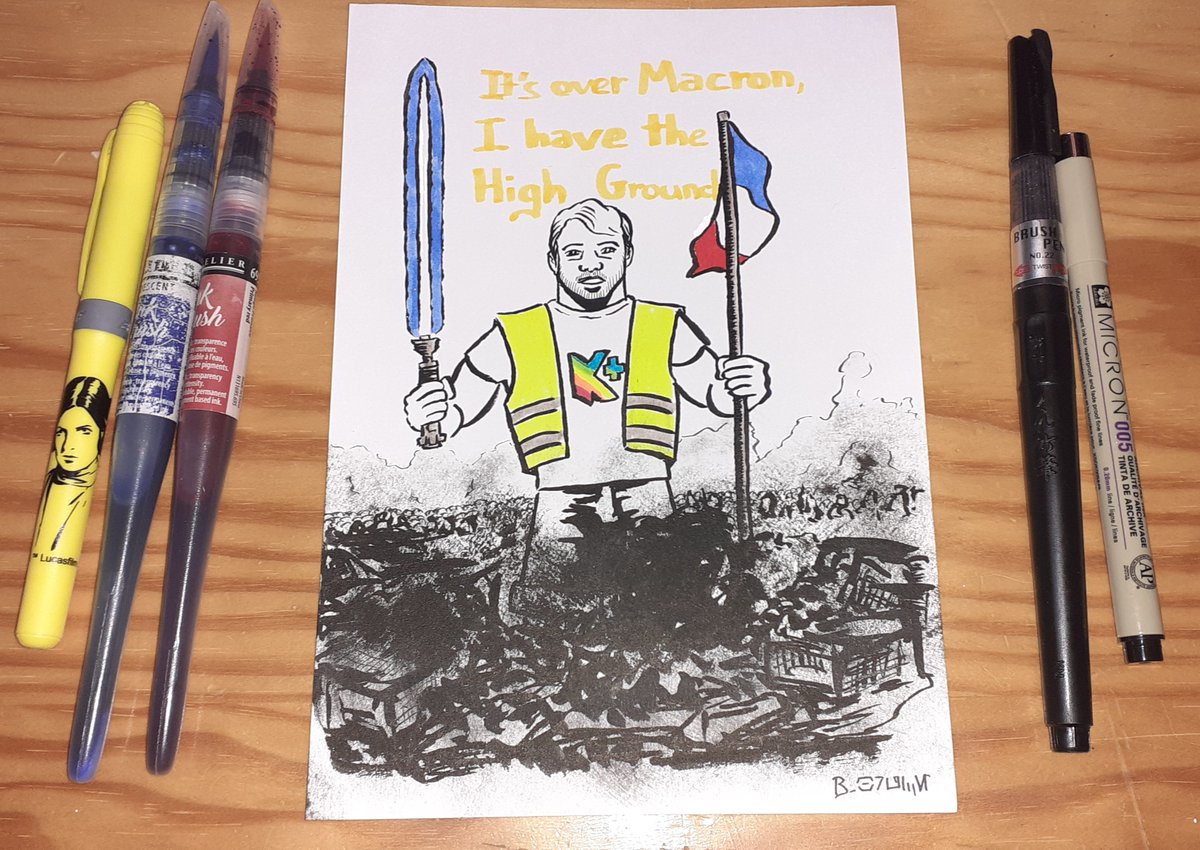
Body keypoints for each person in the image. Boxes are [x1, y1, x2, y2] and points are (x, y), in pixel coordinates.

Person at [403, 198, 770, 613]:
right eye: (574, 252)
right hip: (560, 497)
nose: (591, 264)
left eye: (606, 250)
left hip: (647, 491)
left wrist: (742, 386)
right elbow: (459, 405)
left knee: (666, 610)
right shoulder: (517, 331)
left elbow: (714, 393)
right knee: (551, 612)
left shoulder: (663, 323)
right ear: (553, 260)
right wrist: (432, 413)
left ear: (627, 254)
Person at [33, 376, 110, 556]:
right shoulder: (51, 480)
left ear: (100, 434)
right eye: (62, 433)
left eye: (84, 431)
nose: (68, 446)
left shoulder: (100, 494)